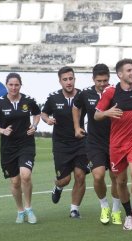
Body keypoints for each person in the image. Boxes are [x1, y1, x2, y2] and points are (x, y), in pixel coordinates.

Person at [94, 58, 132, 231]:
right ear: (120, 74)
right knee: (120, 182)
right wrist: (107, 112)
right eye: (129, 70)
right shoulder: (110, 92)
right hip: (117, 144)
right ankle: (128, 214)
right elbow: (97, 115)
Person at [72, 64, 122, 225]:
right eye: (99, 80)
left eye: (105, 80)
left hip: (115, 141)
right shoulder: (85, 93)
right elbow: (75, 107)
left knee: (116, 177)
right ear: (93, 79)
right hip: (94, 142)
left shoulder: (116, 92)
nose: (102, 84)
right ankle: (104, 205)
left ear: (110, 78)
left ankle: (115, 209)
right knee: (98, 175)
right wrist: (77, 126)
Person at [0, 73, 40, 224]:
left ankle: (29, 208)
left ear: (20, 85)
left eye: (16, 84)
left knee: (25, 175)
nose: (13, 87)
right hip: (8, 148)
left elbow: (37, 114)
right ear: (6, 85)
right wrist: (3, 131)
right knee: (15, 182)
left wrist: (34, 125)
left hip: (26, 144)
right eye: (11, 85)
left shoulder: (28, 100)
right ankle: (20, 211)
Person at [41, 66, 89, 218]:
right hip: (61, 144)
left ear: (75, 79)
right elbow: (43, 113)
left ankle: (74, 209)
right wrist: (47, 119)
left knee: (80, 175)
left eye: (71, 78)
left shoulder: (83, 95)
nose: (69, 82)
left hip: (80, 142)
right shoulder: (53, 97)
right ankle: (58, 187)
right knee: (65, 179)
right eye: (65, 79)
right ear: (60, 81)